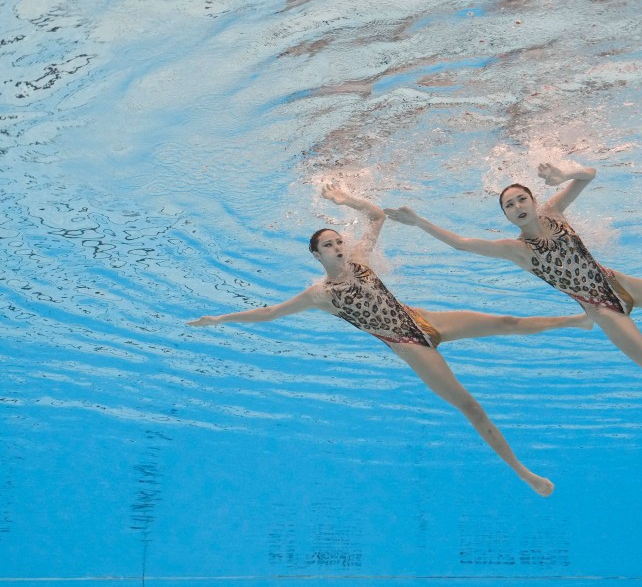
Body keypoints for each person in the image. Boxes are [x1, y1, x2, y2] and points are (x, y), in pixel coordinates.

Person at [385, 161, 642, 469]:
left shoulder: (555, 211)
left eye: (521, 198)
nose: (517, 206)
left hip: (618, 281)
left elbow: (589, 175)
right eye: (509, 205)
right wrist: (418, 220)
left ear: (533, 200)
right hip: (601, 307)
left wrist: (564, 173)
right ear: (506, 216)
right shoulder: (515, 250)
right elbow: (461, 243)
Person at [188, 184, 594, 496]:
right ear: (317, 255)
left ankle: (576, 322)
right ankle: (524, 473)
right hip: (409, 344)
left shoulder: (361, 260)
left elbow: (376, 216)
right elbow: (269, 313)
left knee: (506, 321)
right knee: (471, 406)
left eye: (338, 240)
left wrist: (346, 198)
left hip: (422, 318)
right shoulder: (319, 295)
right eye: (328, 245)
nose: (338, 246)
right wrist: (222, 319)